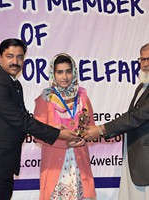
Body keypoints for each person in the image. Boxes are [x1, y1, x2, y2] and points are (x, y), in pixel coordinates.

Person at [0, 39, 81, 200]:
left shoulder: (14, 84)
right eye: (10, 56)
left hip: (2, 166)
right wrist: (57, 134)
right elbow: (21, 121)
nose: (15, 61)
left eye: (20, 57)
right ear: (0, 58)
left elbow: (24, 117)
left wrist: (54, 128)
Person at [82, 42, 149, 200]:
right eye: (142, 60)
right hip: (141, 165)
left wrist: (101, 130)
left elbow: (137, 116)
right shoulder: (144, 86)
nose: (146, 64)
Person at [33, 53, 96, 200]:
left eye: (68, 71)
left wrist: (84, 137)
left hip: (79, 162)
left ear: (74, 72)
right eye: (60, 72)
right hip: (55, 164)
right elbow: (37, 134)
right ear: (53, 74)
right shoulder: (45, 99)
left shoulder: (83, 98)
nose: (65, 76)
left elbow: (91, 127)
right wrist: (63, 141)